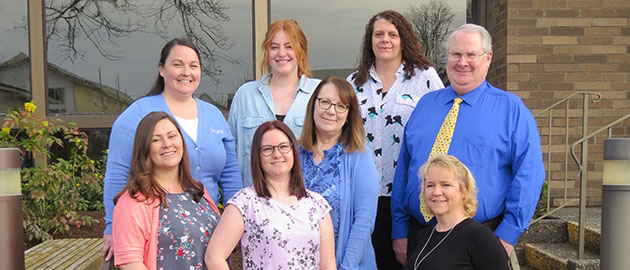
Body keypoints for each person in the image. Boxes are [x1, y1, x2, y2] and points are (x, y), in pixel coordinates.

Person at [392, 23, 545, 264]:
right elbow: (404, 169)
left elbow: (530, 174)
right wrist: (399, 228)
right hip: (420, 237)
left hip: (480, 241)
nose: (462, 62)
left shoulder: (511, 110)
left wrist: (507, 234)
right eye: (456, 54)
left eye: (471, 54)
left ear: (488, 58)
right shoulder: (425, 105)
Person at [103, 38, 242, 262]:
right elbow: (117, 174)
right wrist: (112, 227)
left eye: (193, 65)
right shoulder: (136, 115)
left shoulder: (214, 115)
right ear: (161, 69)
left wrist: (234, 223)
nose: (186, 72)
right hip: (162, 236)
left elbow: (231, 173)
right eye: (177, 64)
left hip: (210, 231)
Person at [346, 9, 444, 269]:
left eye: (392, 34)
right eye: (378, 34)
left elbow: (443, 125)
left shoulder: (425, 77)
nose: (385, 39)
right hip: (364, 193)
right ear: (370, 40)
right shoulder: (354, 83)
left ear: (403, 40)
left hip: (411, 192)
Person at [205, 120, 336, 270]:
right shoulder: (245, 202)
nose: (277, 154)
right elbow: (214, 257)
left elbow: (328, 265)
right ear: (257, 156)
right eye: (268, 149)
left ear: (294, 150)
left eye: (283, 147)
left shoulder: (317, 205)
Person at [112, 112, 221, 270]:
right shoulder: (135, 200)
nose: (167, 144)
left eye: (172, 136)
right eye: (156, 139)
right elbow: (130, 262)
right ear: (145, 149)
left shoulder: (198, 191)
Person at [299, 77, 379, 269]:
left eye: (341, 106)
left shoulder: (360, 157)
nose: (331, 111)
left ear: (349, 114)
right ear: (313, 105)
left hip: (347, 264)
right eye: (325, 102)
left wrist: (346, 267)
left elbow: (363, 222)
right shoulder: (294, 154)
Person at [229, 19, 320, 187]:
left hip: (305, 203)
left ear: (301, 51)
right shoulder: (245, 95)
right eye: (274, 47)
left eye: (289, 46)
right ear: (267, 52)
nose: (281, 53)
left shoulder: (319, 94)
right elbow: (230, 156)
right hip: (253, 202)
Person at [404, 154, 509, 270]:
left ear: (464, 190)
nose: (436, 192)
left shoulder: (480, 237)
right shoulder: (424, 236)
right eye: (430, 185)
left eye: (446, 185)